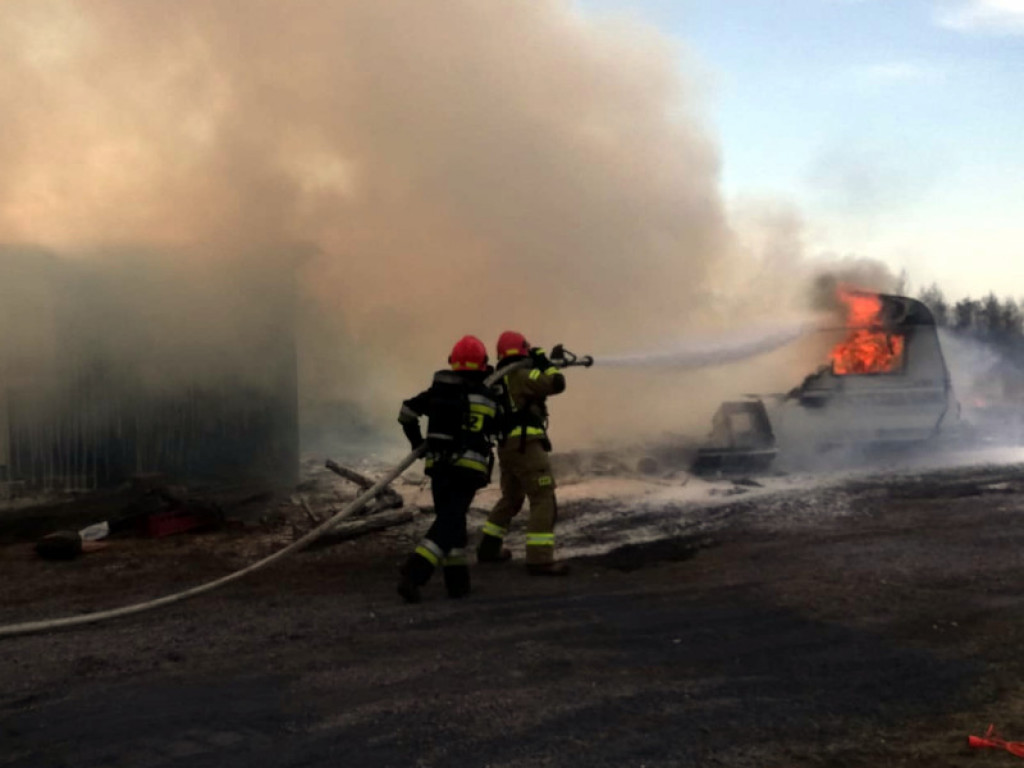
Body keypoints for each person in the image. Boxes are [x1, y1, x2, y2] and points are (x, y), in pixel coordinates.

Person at [396, 335, 501, 603]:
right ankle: (415, 572)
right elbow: (499, 428)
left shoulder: (438, 391)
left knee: (453, 521)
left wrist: (417, 443)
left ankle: (457, 583)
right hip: (467, 472)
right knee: (450, 522)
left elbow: (407, 412)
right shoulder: (488, 396)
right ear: (483, 365)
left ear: (452, 363)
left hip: (439, 467)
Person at [476, 330, 569, 575]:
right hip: (526, 446)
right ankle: (540, 560)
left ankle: (488, 548)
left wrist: (545, 362)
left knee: (511, 498)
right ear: (523, 350)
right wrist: (544, 360)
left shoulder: (498, 379)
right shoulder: (521, 374)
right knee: (543, 497)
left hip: (507, 448)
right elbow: (556, 383)